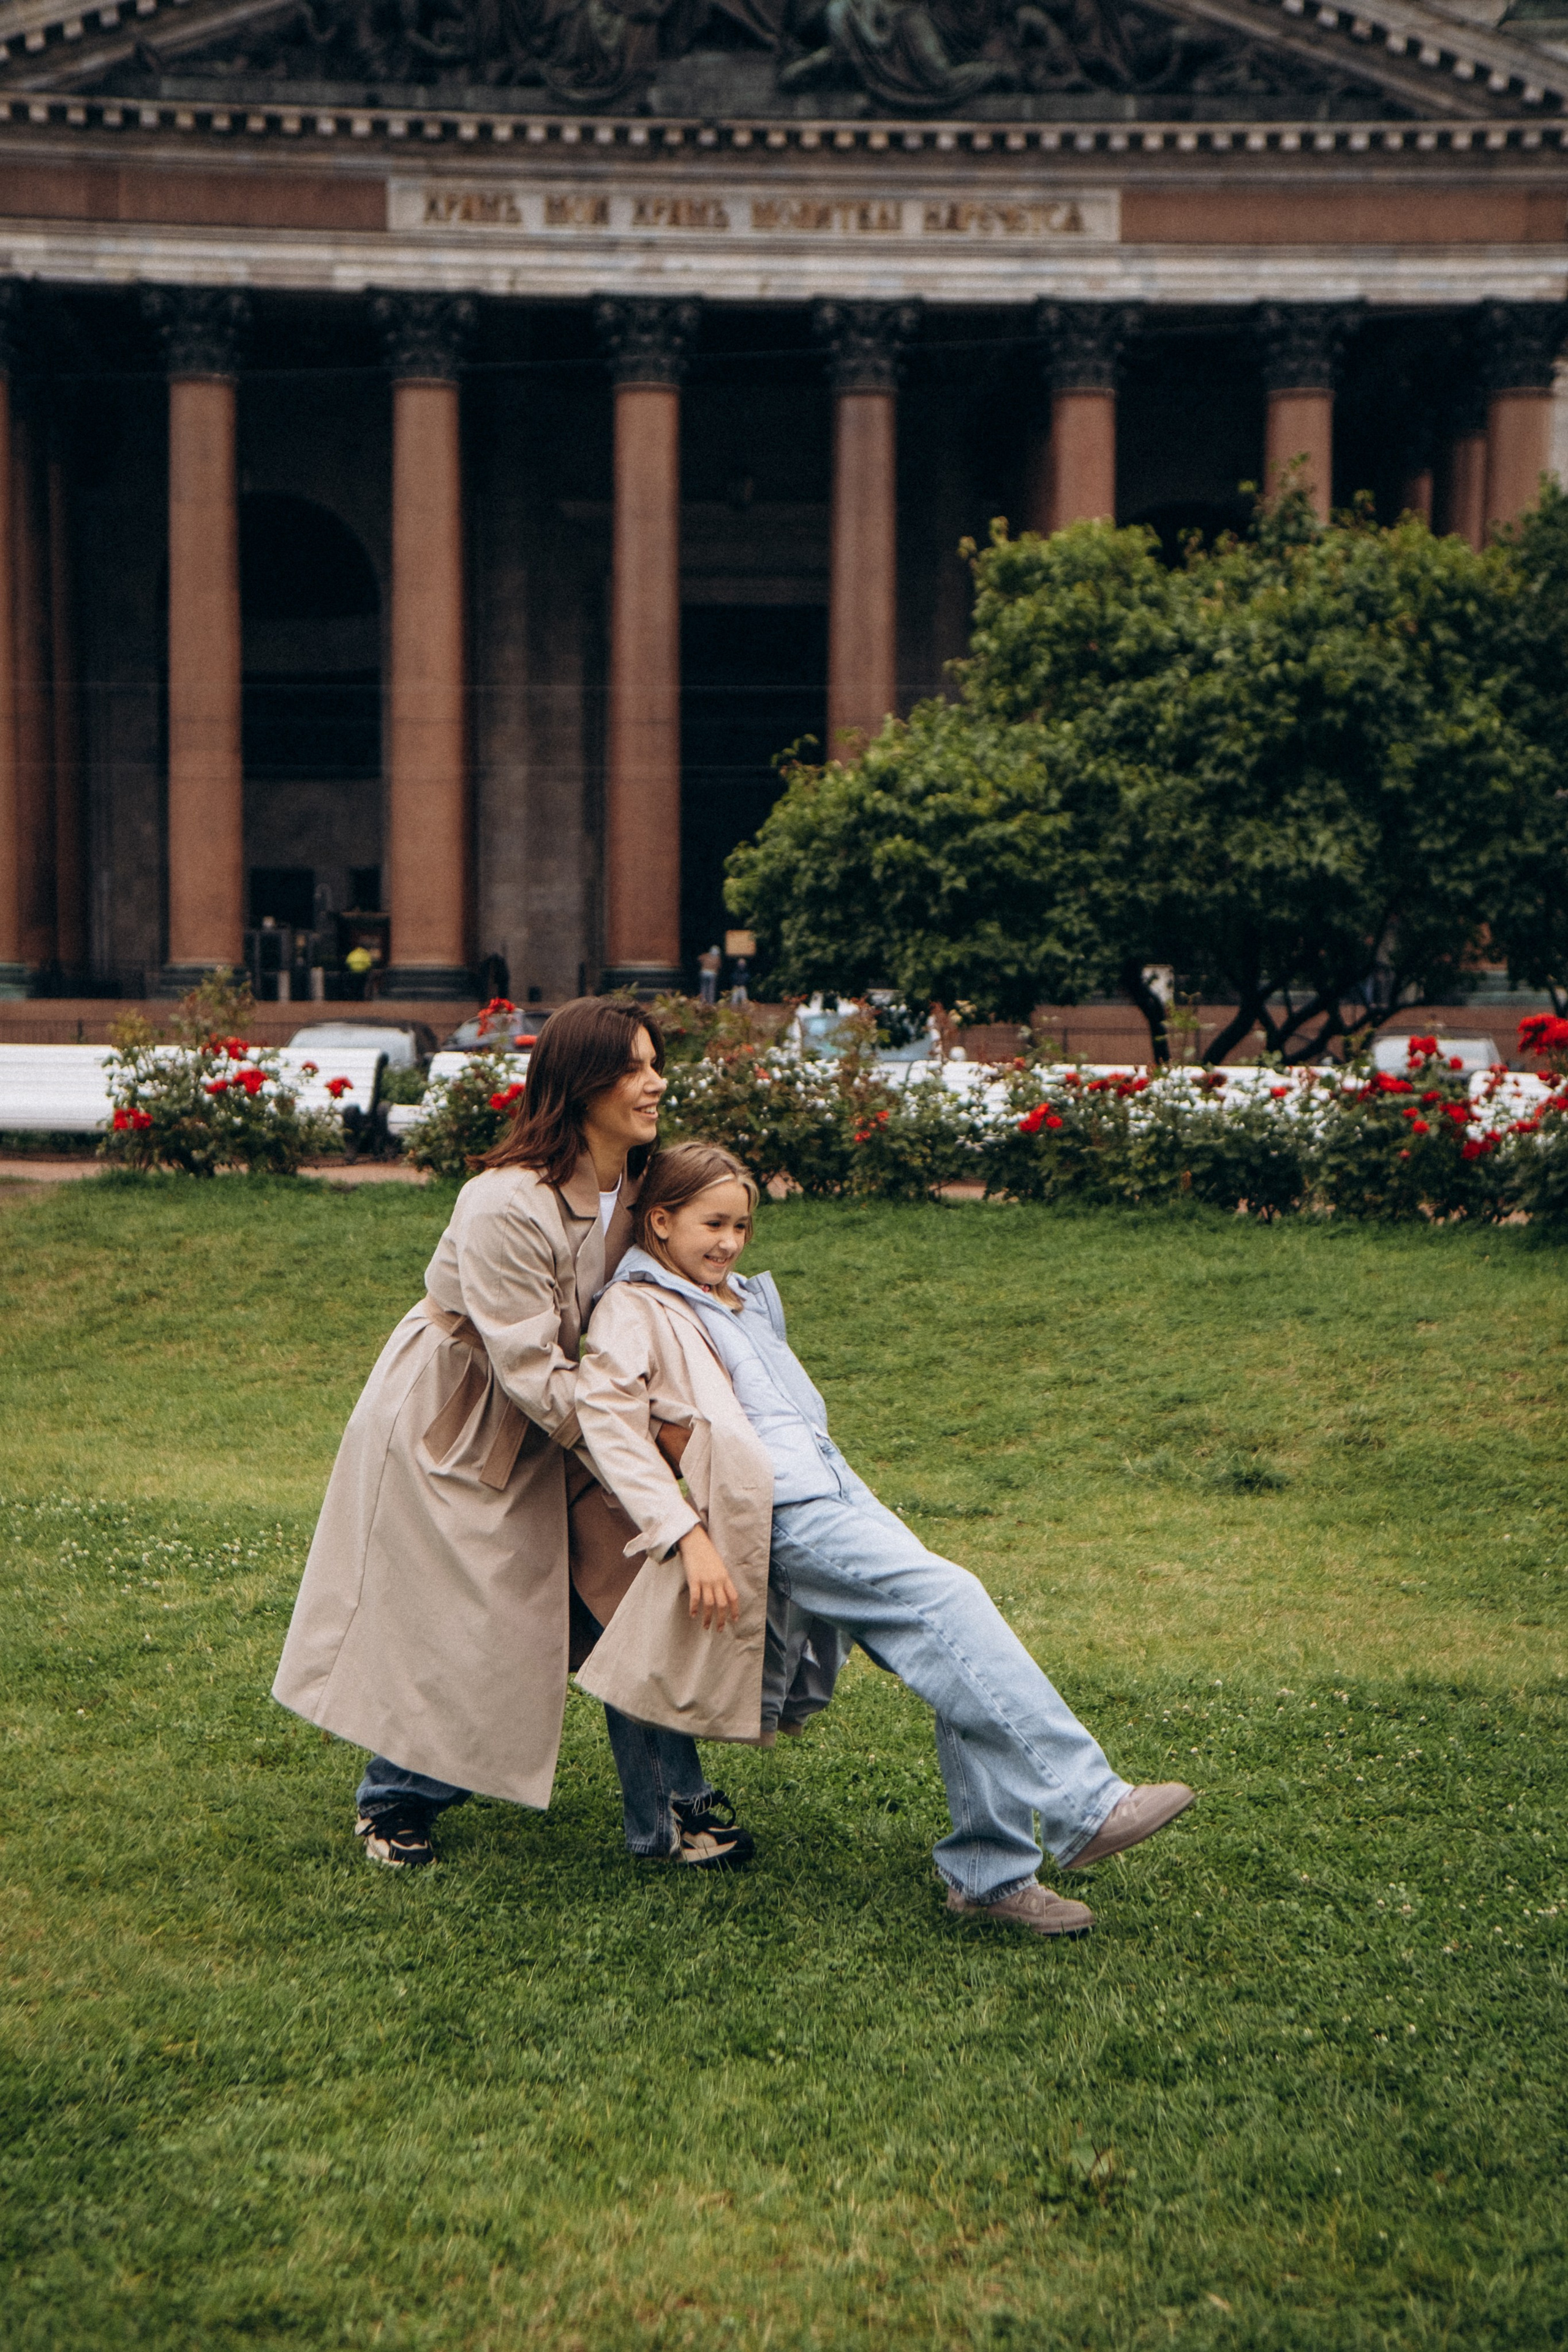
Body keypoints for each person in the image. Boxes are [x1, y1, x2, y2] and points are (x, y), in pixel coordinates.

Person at [575, 1142, 1195, 1939]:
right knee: (951, 1601)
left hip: (837, 1487)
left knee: (957, 1639)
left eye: (742, 1225)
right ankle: (1087, 1802)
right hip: (787, 1509)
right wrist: (683, 1534)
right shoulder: (638, 1306)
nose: (729, 1241)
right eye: (711, 1224)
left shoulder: (735, 1298)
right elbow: (611, 1424)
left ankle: (990, 1876)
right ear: (660, 1220)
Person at [271, 1001, 755, 1872]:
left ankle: (676, 1810)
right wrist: (640, 1457)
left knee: (628, 1587)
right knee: (477, 1617)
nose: (657, 1082)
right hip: (459, 1417)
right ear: (581, 1085)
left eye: (656, 1063)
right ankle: (395, 1799)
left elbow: (679, 1293)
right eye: (635, 1068)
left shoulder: (644, 1189)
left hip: (580, 1412)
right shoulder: (503, 1203)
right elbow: (528, 1371)